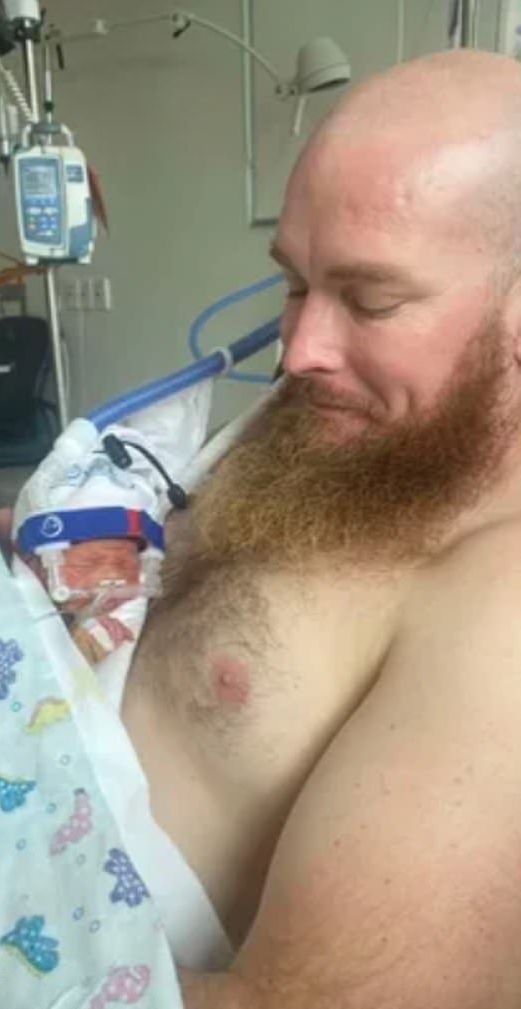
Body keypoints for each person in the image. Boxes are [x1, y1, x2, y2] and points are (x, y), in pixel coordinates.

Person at [82, 46, 521, 1006]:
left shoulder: (502, 615)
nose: (300, 350)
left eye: (370, 300)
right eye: (292, 283)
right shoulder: (348, 419)